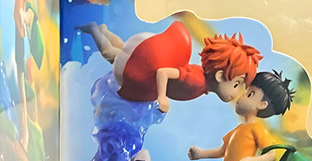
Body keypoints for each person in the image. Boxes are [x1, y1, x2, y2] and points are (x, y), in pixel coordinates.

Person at [79, 21, 262, 113]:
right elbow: (163, 72)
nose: (237, 92)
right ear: (220, 76)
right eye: (236, 84)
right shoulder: (196, 81)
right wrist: (162, 98)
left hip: (147, 53)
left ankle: (105, 31)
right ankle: (94, 30)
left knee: (122, 47)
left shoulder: (200, 80)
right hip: (147, 66)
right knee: (112, 54)